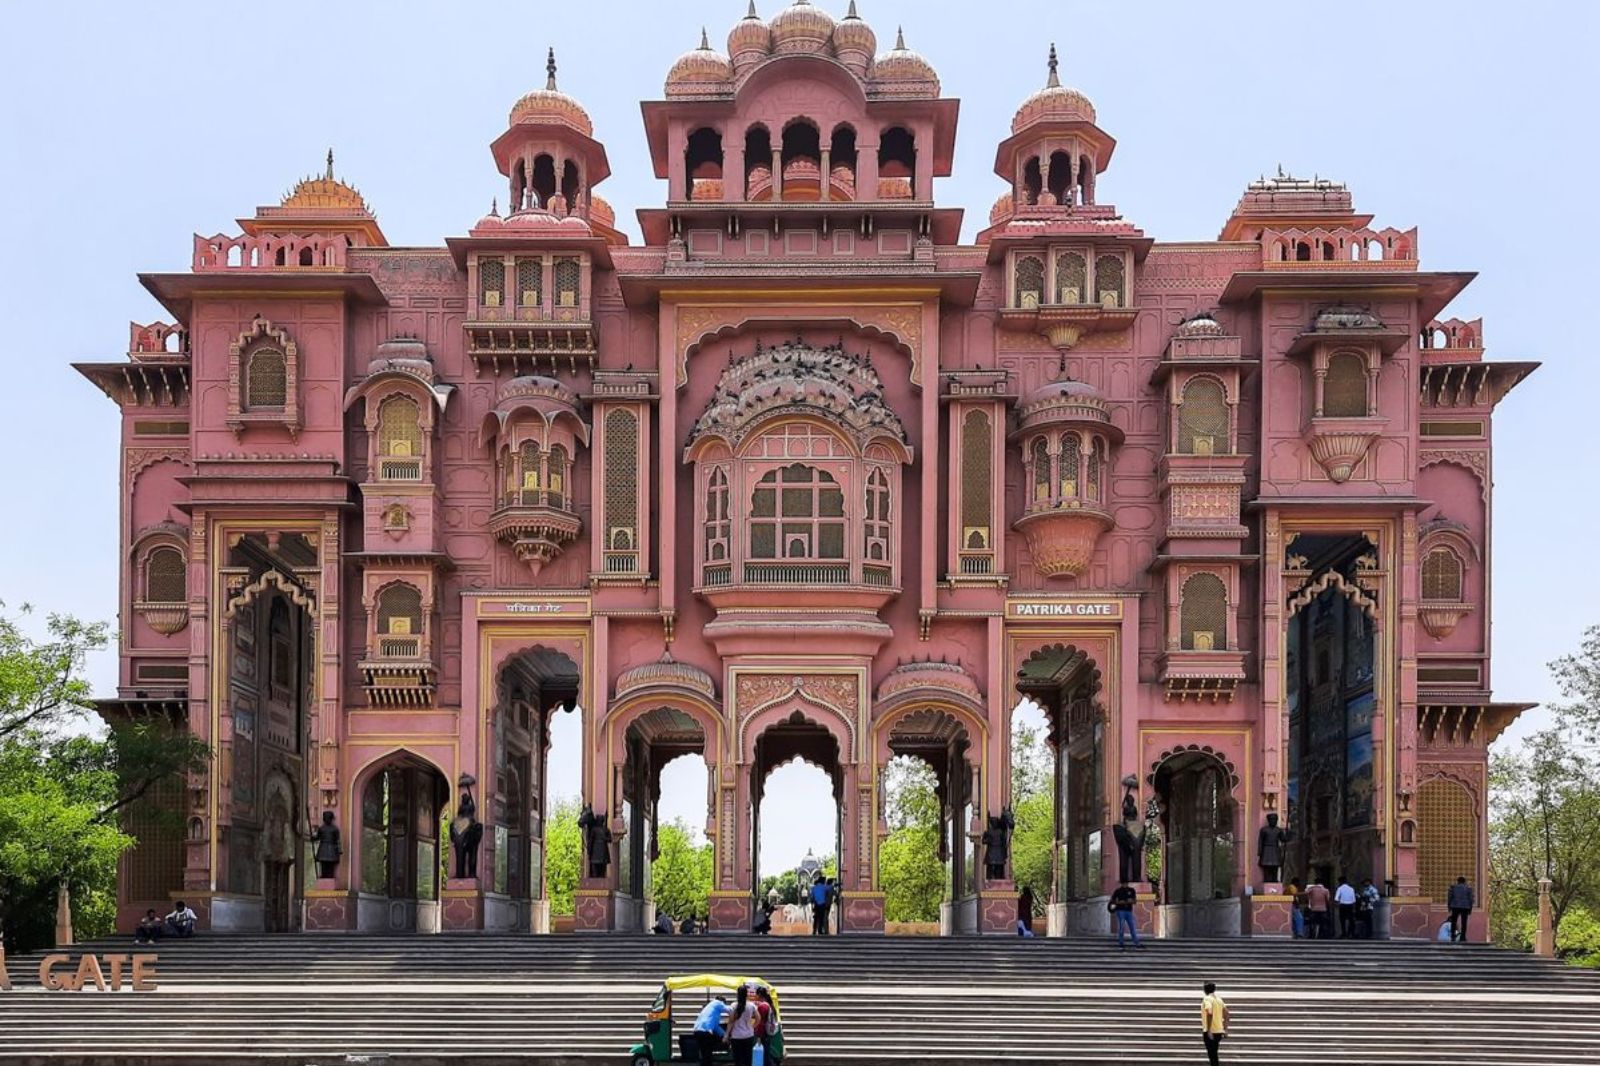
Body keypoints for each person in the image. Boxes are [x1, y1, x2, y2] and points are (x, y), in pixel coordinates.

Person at [691, 995, 730, 1066]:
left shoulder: (711, 1010)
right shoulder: (717, 1002)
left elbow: (716, 1027)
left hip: (697, 1031)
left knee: (705, 1054)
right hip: (705, 1032)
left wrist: (724, 1035)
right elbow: (730, 1010)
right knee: (707, 1054)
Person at [727, 982, 760, 1066]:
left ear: (737, 994)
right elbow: (758, 1018)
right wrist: (752, 1027)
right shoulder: (751, 1005)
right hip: (748, 1035)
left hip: (736, 1036)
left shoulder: (734, 1005)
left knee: (738, 1060)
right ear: (746, 994)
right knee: (748, 1059)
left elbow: (730, 1021)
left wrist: (726, 1034)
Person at [1200, 981, 1229, 1065]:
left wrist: (1209, 1030)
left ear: (1204, 990)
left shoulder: (1207, 999)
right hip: (1219, 1031)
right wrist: (1225, 1029)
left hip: (1210, 1032)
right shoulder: (1219, 999)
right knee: (1214, 1054)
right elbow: (1227, 1014)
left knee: (1212, 1055)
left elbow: (1209, 1013)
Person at [1109, 880, 1141, 949]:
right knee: (1122, 926)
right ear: (1121, 884)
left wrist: (1130, 901)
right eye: (1124, 883)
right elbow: (1113, 901)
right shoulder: (1118, 891)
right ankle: (1121, 943)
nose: (1125, 884)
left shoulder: (1131, 890)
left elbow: (1135, 901)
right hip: (1120, 910)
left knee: (1132, 927)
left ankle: (1136, 943)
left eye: (1126, 883)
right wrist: (1121, 902)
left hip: (1129, 911)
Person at [1448, 875, 1475, 942]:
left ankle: (1453, 936)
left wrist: (1449, 907)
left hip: (1455, 906)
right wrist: (1470, 908)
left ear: (1458, 881)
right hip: (1465, 907)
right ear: (1464, 881)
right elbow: (1471, 899)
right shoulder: (1468, 888)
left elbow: (1450, 897)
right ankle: (1462, 937)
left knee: (1453, 922)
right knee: (1464, 923)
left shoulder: (1453, 887)